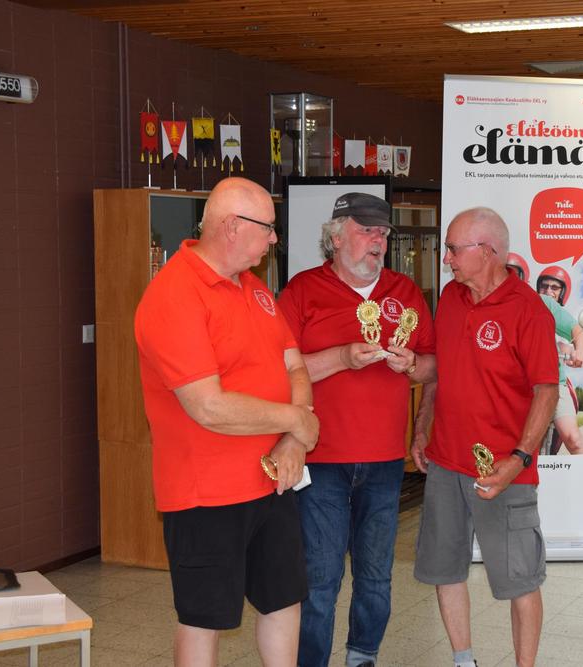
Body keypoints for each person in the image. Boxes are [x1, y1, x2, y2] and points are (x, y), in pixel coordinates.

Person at [134, 177, 319, 667]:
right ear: (232, 226)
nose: (274, 238)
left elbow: (295, 367)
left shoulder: (254, 288)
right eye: (268, 227)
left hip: (272, 481)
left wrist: (292, 440)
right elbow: (207, 406)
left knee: (284, 599)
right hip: (206, 493)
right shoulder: (174, 293)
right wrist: (297, 420)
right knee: (205, 618)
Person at [278, 192, 435, 667]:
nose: (378, 241)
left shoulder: (405, 292)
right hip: (320, 458)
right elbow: (277, 370)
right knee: (320, 577)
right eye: (366, 231)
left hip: (385, 460)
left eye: (383, 232)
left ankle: (362, 656)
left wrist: (413, 364)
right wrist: (342, 357)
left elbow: (435, 366)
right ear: (336, 237)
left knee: (375, 576)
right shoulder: (302, 291)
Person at [411, 207, 559, 667]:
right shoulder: (451, 298)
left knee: (521, 580)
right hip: (444, 462)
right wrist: (422, 426)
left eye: (454, 250)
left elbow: (547, 392)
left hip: (502, 469)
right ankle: (463, 661)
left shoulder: (528, 310)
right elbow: (441, 369)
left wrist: (518, 459)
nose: (447, 259)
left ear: (489, 252)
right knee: (444, 570)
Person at [536, 266, 583, 455]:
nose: (548, 292)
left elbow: (576, 330)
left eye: (554, 288)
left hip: (553, 382)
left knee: (573, 439)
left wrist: (580, 350)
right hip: (522, 385)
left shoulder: (545, 304)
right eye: (544, 286)